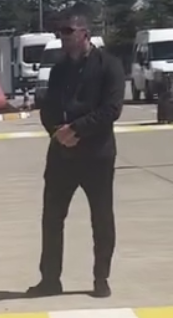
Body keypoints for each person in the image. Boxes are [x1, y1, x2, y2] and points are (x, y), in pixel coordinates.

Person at [28, 4, 124, 299]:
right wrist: (57, 132)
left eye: (68, 31)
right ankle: (49, 280)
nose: (63, 36)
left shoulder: (109, 66)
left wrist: (77, 130)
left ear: (85, 33)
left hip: (96, 156)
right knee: (52, 218)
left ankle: (101, 278)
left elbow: (111, 109)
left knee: (101, 219)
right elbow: (47, 107)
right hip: (62, 155)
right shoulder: (59, 70)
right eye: (61, 31)